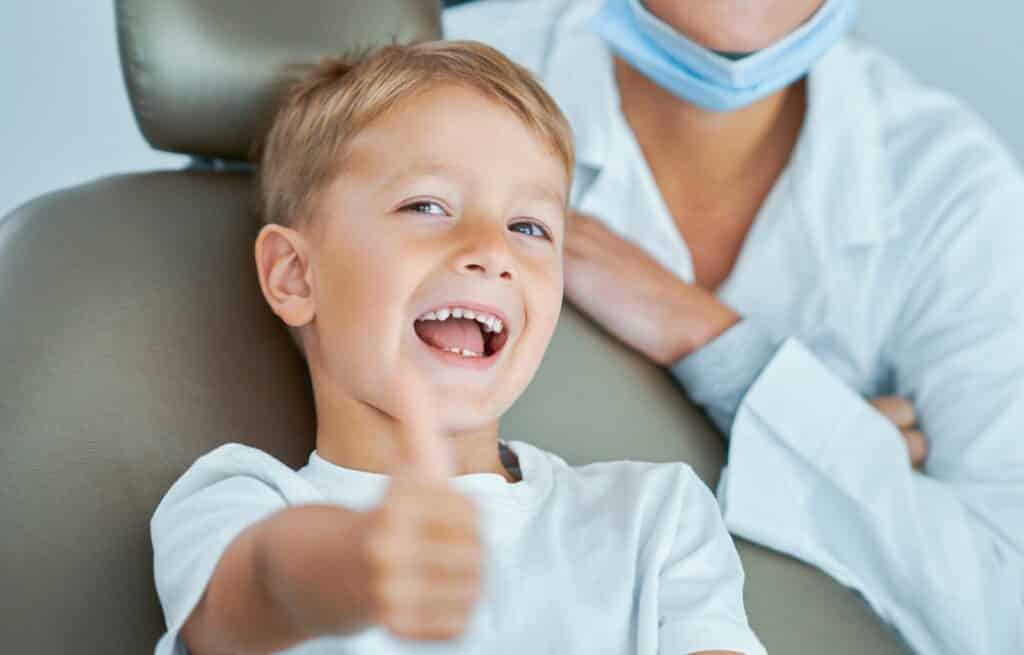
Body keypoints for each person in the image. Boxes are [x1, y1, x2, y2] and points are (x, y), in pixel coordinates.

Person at [150, 41, 766, 655]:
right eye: (427, 205)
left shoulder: (652, 516)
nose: (492, 250)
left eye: (528, 227)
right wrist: (354, 564)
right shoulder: (238, 500)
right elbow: (255, 594)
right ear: (295, 274)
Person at [444, 1, 1024, 653]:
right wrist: (833, 449)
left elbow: (1002, 608)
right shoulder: (427, 80)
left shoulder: (947, 185)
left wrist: (718, 348)